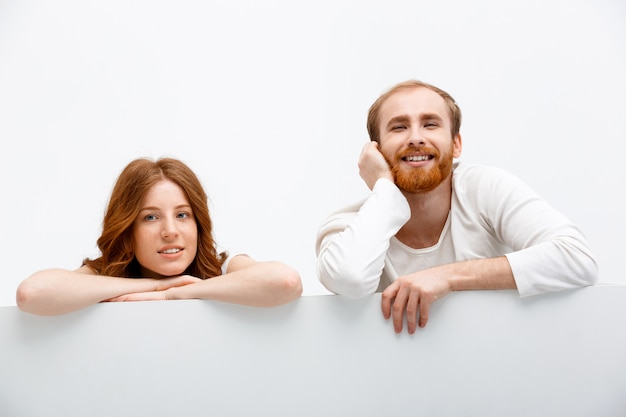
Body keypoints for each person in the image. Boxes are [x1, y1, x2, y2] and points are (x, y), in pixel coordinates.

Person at [315, 79, 598, 334]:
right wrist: (385, 191)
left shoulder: (484, 188)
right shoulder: (347, 226)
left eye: (430, 124)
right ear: (374, 151)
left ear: (457, 144)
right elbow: (348, 280)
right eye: (399, 127)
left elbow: (577, 259)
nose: (415, 138)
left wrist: (446, 277)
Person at [17, 157, 302, 316]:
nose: (170, 231)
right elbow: (33, 293)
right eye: (150, 217)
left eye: (182, 215)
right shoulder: (106, 274)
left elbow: (285, 282)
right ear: (128, 227)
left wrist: (175, 293)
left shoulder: (221, 269)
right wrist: (151, 287)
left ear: (198, 223)